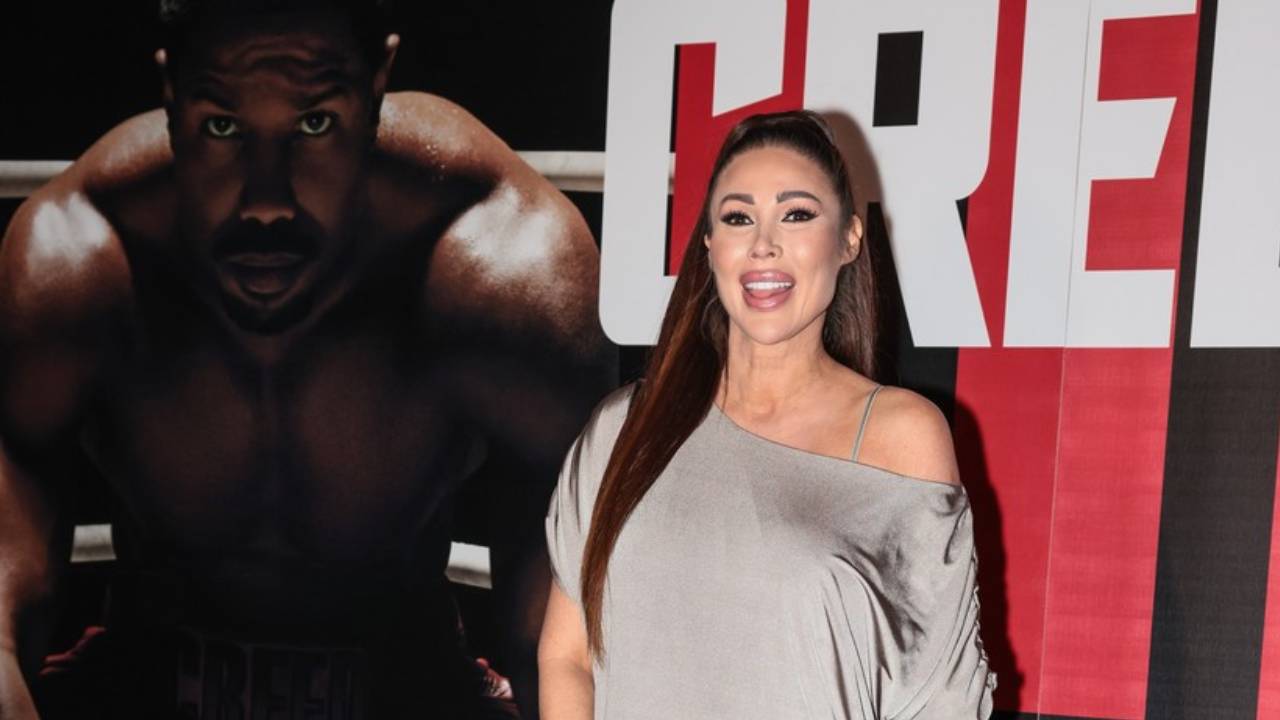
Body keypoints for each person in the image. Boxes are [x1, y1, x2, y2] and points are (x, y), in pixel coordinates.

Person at [0, 1, 612, 718]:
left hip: (405, 697)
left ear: (376, 84)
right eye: (222, 127)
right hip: (146, 687)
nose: (266, 203)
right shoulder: (79, 256)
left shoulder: (505, 261)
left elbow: (557, 642)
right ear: (170, 93)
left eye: (315, 124)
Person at [538, 111, 995, 719]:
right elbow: (567, 655)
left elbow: (943, 704)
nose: (763, 244)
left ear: (849, 239)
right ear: (710, 244)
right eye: (738, 217)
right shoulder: (624, 429)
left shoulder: (899, 436)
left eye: (796, 214)